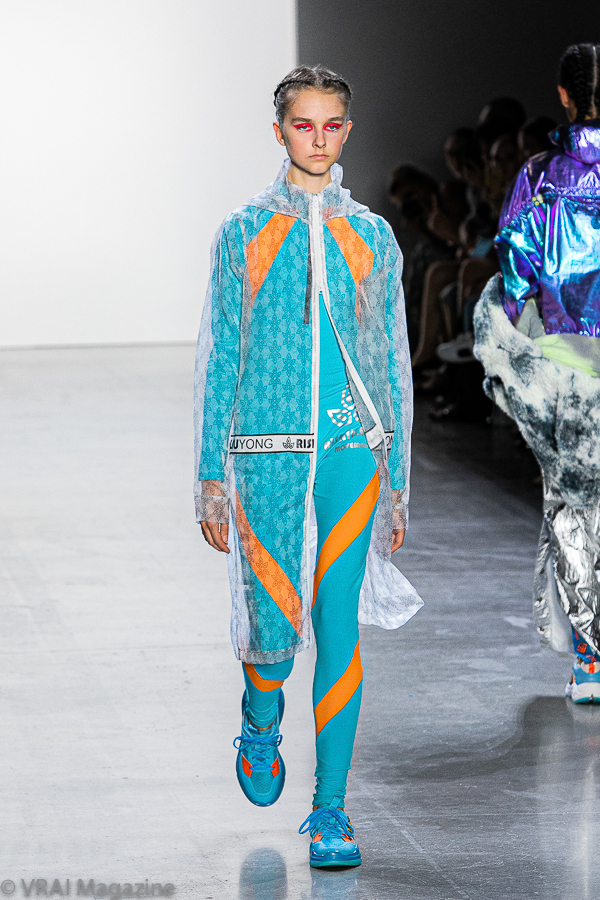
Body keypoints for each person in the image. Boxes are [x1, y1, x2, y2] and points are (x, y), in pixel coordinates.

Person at [194, 65, 422, 868]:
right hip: (265, 452)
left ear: (347, 131)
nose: (318, 139)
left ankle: (330, 810)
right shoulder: (244, 233)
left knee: (338, 626)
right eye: (303, 125)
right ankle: (261, 720)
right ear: (280, 130)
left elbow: (390, 360)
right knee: (274, 634)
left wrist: (397, 482)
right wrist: (210, 476)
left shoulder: (373, 236)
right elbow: (221, 358)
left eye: (331, 126)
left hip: (352, 450)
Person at [474, 43, 600, 704]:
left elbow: (516, 270)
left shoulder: (541, 176)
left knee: (573, 500)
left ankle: (590, 658)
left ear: (563, 96)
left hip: (565, 359)